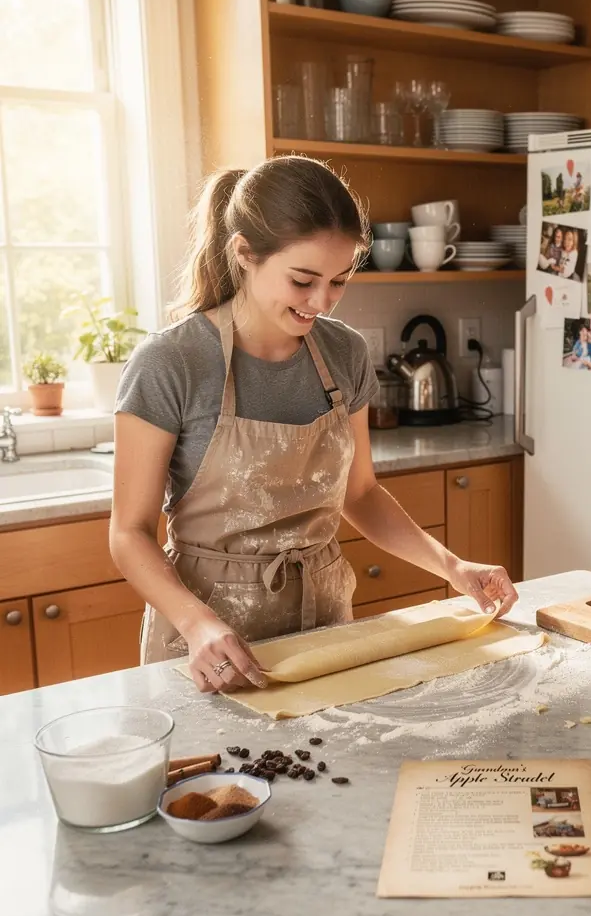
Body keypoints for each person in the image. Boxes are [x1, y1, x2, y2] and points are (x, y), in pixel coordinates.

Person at [110, 156, 518, 693]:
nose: (321, 302)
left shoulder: (343, 352)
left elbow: (362, 493)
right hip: (206, 642)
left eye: (339, 281)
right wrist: (196, 623)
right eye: (303, 280)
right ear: (244, 254)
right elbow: (128, 533)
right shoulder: (173, 362)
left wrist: (452, 567)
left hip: (324, 627)